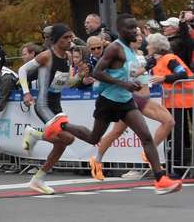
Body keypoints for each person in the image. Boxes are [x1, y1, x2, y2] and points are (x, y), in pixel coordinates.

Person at [66, 13, 183, 194]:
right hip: (108, 100)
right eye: (130, 28)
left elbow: (127, 74)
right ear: (120, 30)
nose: (135, 30)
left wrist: (133, 82)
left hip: (126, 101)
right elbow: (97, 72)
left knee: (146, 136)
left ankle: (160, 179)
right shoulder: (115, 48)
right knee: (93, 138)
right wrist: (124, 84)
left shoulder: (130, 51)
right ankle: (62, 125)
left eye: (135, 27)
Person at [91, 31, 182, 178]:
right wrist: (146, 67)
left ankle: (146, 154)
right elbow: (128, 75)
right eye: (137, 36)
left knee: (169, 121)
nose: (140, 38)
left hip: (144, 99)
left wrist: (149, 64)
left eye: (140, 36)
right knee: (116, 132)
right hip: (131, 99)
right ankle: (97, 160)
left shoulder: (141, 54)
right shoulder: (123, 55)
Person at [17, 24, 96, 193]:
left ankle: (38, 179)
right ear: (56, 39)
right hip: (43, 104)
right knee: (68, 136)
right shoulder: (47, 56)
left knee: (63, 143)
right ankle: (33, 135)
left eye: (70, 37)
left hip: (56, 104)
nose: (69, 41)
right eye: (65, 38)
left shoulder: (67, 57)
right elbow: (22, 70)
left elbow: (65, 83)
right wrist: (26, 93)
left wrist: (80, 76)